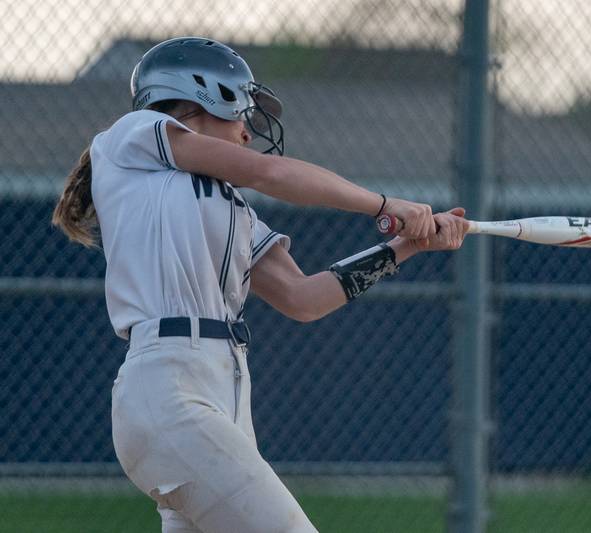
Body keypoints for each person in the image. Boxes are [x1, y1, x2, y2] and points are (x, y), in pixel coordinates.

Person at [51, 37, 468, 533]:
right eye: (241, 113)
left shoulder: (231, 210)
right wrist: (384, 204)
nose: (248, 132)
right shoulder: (134, 134)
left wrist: (405, 247)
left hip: (225, 394)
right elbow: (270, 172)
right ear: (203, 95)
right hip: (168, 387)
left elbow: (303, 298)